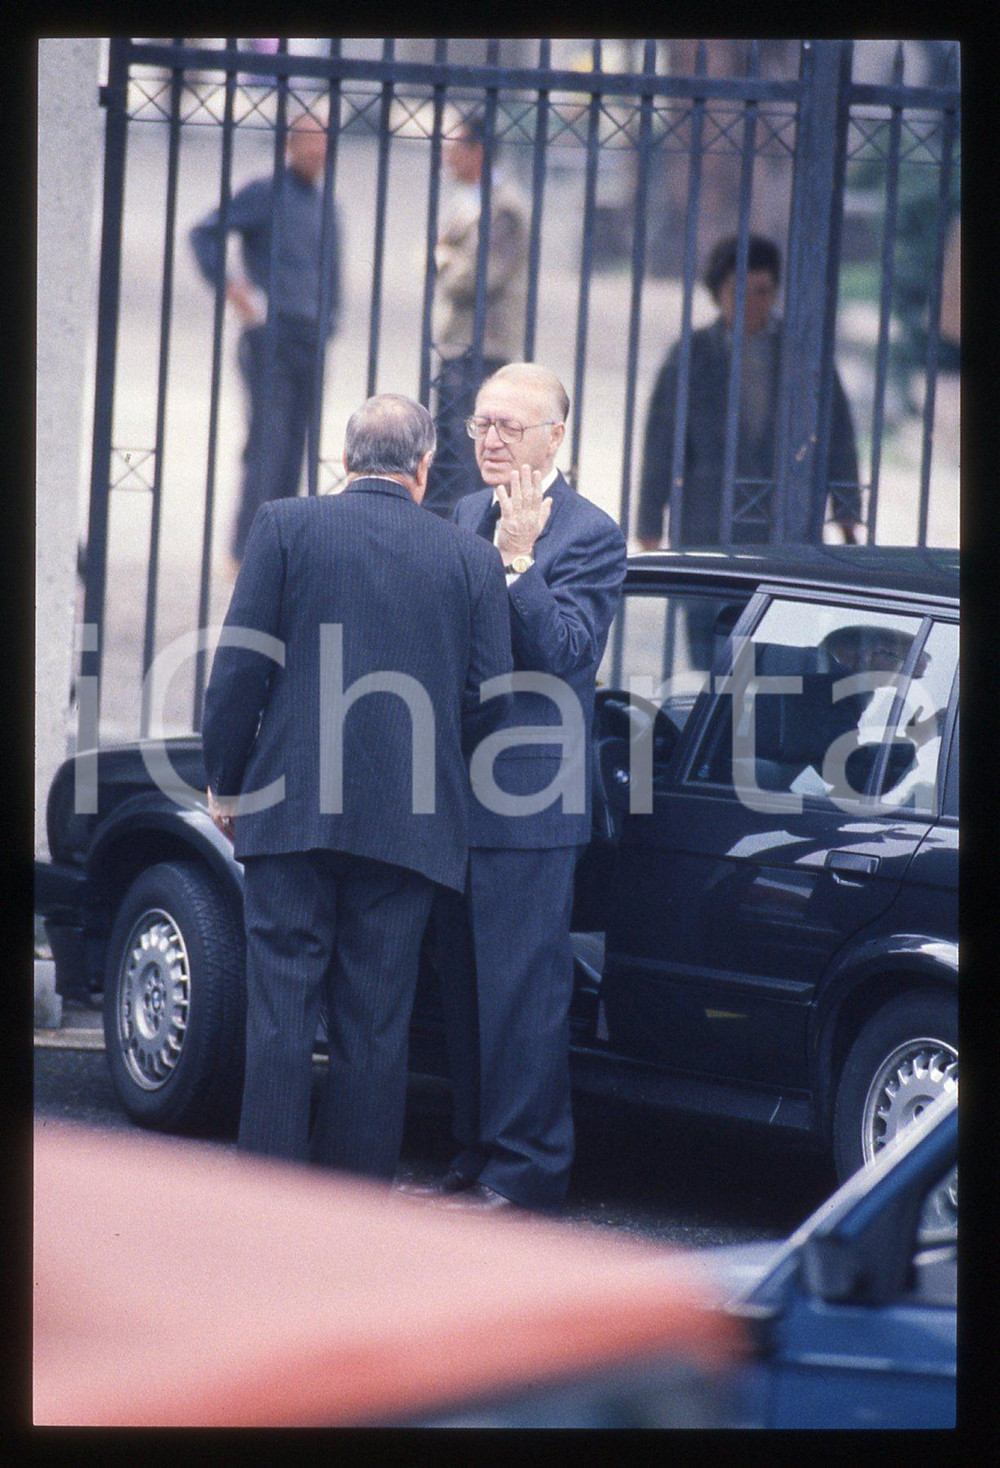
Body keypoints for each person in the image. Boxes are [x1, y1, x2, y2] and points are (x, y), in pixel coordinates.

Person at [201, 395, 512, 1181]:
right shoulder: (470, 559)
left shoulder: (284, 526)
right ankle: (352, 1226)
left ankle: (268, 1207)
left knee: (279, 1019)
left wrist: (227, 784)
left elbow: (238, 672)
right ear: (423, 467)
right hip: (409, 826)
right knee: (376, 1029)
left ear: (344, 460)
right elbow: (492, 697)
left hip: (291, 809)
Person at [429, 363, 627, 1212]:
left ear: (556, 436)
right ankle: (479, 1149)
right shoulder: (464, 512)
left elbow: (570, 654)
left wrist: (518, 566)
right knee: (466, 989)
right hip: (454, 792)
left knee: (523, 995)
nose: (491, 440)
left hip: (530, 804)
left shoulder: (589, 532)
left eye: (511, 426)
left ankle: (528, 1170)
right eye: (480, 425)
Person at [637, 234, 862, 551]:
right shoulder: (691, 355)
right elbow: (661, 444)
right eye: (737, 291)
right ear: (718, 293)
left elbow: (838, 436)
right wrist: (649, 526)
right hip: (706, 529)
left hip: (786, 529)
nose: (751, 304)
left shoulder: (804, 356)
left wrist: (847, 514)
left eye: (762, 292)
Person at [190, 111, 342, 574]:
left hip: (311, 336)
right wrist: (233, 286)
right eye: (310, 142)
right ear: (290, 145)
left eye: (324, 143)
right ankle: (244, 548)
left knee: (299, 440)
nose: (318, 152)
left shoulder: (325, 204)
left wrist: (331, 317)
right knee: (268, 440)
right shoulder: (263, 193)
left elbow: (331, 272)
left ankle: (282, 546)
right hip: (269, 336)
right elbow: (203, 233)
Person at [422, 113, 530, 519]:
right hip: (459, 342)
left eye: (454, 149)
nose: (448, 159)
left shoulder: (504, 208)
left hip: (483, 345)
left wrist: (440, 258)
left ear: (477, 151)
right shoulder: (469, 200)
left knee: (470, 449)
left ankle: (467, 532)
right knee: (448, 448)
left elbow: (471, 279)